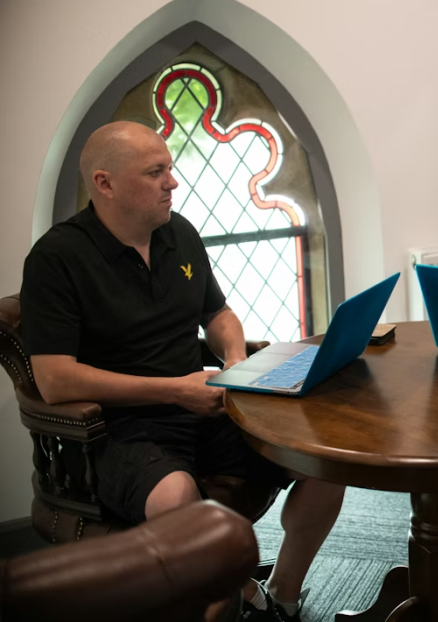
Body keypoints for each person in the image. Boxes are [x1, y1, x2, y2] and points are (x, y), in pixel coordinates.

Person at [20, 122, 346, 622]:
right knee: (175, 495)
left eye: (170, 168)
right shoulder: (57, 258)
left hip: (204, 406)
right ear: (104, 184)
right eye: (156, 173)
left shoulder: (179, 233)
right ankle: (242, 599)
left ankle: (280, 593)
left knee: (325, 461)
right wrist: (173, 391)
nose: (173, 182)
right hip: (117, 428)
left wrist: (235, 360)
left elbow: (218, 316)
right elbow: (55, 378)